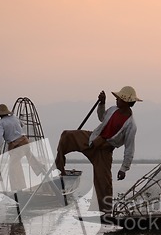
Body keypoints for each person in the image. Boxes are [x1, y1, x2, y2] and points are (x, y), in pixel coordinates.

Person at [54, 86, 142, 216]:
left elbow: (129, 148)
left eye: (118, 98)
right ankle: (60, 168)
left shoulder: (131, 125)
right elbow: (102, 117)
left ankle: (106, 213)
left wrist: (124, 168)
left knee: (103, 182)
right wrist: (102, 103)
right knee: (67, 136)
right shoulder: (113, 110)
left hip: (104, 151)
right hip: (91, 139)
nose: (116, 100)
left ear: (125, 101)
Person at [0, 103, 45, 190]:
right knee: (30, 159)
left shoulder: (0, 123)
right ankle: (41, 169)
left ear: (0, 114)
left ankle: (18, 189)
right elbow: (22, 125)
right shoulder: (14, 117)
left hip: (16, 146)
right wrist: (16, 130)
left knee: (12, 168)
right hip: (25, 141)